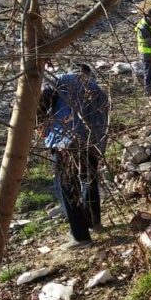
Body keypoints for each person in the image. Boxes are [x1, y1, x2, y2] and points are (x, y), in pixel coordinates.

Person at [39, 64, 110, 250]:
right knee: (89, 178)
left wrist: (39, 122)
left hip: (66, 140)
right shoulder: (98, 89)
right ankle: (94, 222)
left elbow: (42, 99)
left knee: (66, 186)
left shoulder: (63, 80)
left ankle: (80, 236)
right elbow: (105, 122)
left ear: (73, 70)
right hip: (92, 141)